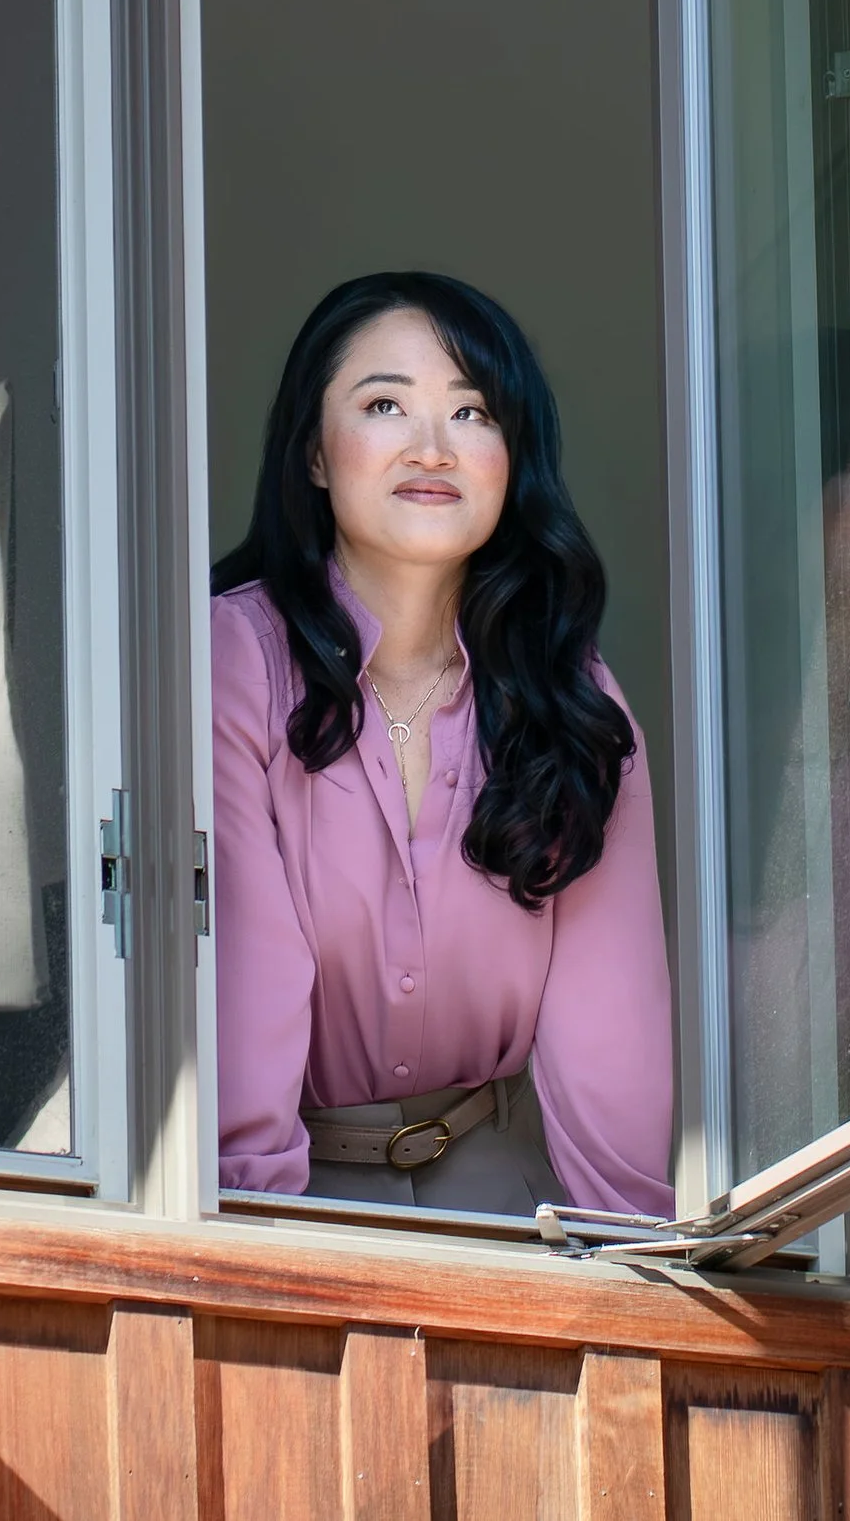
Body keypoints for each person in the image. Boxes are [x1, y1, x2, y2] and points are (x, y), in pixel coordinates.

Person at [209, 270, 674, 1219]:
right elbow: (243, 993)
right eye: (385, 404)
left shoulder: (571, 697)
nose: (432, 447)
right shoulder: (231, 660)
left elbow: (608, 1032)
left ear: (514, 456)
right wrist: (250, 1247)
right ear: (313, 453)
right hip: (282, 1205)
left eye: (472, 413)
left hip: (500, 1191)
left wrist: (628, 1264)